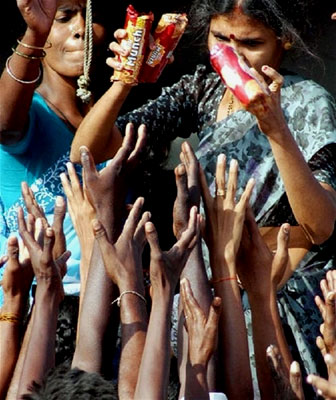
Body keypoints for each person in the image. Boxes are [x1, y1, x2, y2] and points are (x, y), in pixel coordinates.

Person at [70, 0, 336, 386]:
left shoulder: (308, 102)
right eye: (220, 38)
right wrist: (123, 82)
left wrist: (275, 127)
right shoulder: (203, 87)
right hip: (207, 290)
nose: (233, 54)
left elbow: (321, 225)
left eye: (250, 42)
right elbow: (91, 152)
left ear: (284, 42)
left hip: (278, 299)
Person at [0, 0, 123, 303]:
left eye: (89, 17)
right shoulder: (29, 115)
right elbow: (5, 125)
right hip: (37, 308)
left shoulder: (111, 121)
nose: (81, 29)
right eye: (64, 17)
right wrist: (34, 35)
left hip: (102, 301)